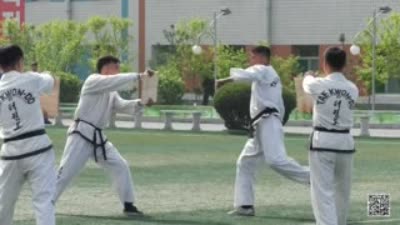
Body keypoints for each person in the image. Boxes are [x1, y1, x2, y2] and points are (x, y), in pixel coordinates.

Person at [217, 46, 310, 216]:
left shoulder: (264, 70)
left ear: (263, 57)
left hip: (268, 122)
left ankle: (315, 178)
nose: (250, 61)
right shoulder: (268, 77)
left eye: (253, 57)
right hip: (263, 123)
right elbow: (280, 106)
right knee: (245, 162)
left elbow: (249, 74)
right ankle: (245, 205)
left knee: (275, 160)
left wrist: (225, 80)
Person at [54, 55, 152, 216]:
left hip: (98, 137)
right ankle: (47, 202)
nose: (119, 70)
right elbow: (115, 81)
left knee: (120, 165)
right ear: (106, 67)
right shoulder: (93, 80)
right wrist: (139, 76)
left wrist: (141, 103)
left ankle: (128, 204)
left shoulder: (111, 91)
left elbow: (121, 106)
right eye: (116, 67)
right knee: (66, 173)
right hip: (81, 134)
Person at [0, 45, 56, 225]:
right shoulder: (31, 79)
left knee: (3, 203)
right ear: (19, 62)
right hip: (38, 149)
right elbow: (50, 82)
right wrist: (45, 73)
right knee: (43, 202)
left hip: (10, 152)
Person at [303, 47, 358, 225]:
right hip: (345, 143)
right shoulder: (352, 88)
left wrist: (309, 74)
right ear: (344, 65)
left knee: (322, 191)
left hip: (323, 142)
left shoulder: (317, 84)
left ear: (325, 63)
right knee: (342, 191)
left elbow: (306, 83)